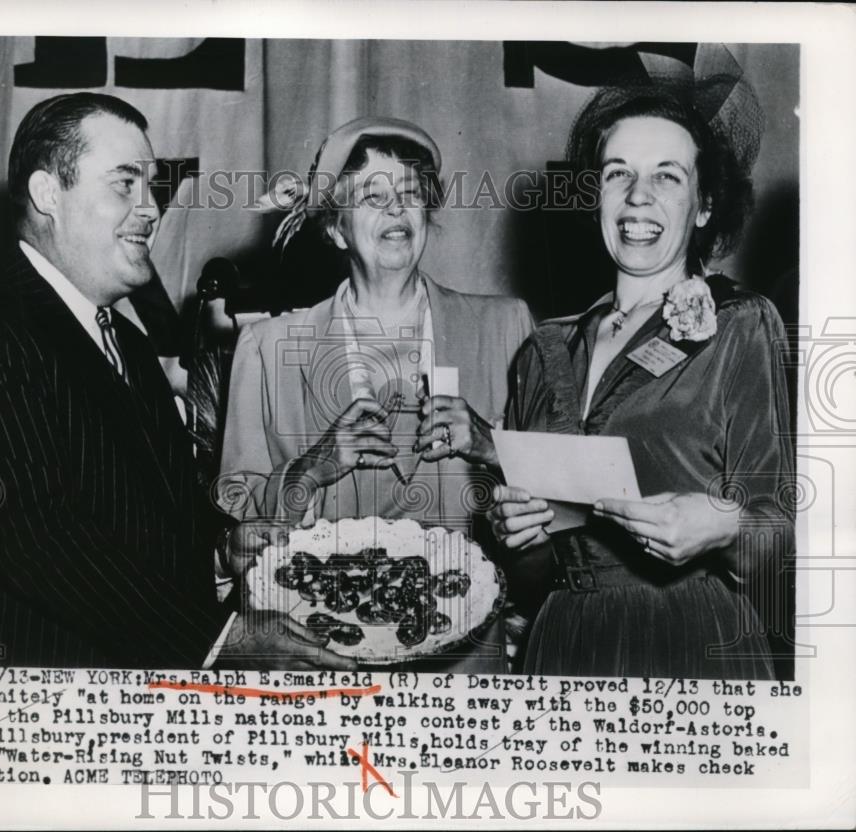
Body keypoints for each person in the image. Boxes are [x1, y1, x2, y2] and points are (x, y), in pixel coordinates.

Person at [0, 92, 349, 670]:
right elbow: (43, 540)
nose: (151, 209)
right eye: (124, 183)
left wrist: (219, 547)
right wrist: (219, 639)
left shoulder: (127, 345)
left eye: (152, 186)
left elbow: (149, 512)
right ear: (47, 195)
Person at [487, 75, 794, 679]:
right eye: (618, 173)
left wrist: (722, 522)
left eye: (667, 176)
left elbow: (775, 535)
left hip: (690, 636)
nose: (637, 196)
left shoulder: (740, 326)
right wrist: (517, 535)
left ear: (704, 205)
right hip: (562, 644)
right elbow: (535, 576)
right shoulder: (543, 348)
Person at [218, 117, 533, 671]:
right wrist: (312, 468)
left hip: (463, 677)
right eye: (372, 195)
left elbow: (557, 511)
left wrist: (493, 445)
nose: (396, 208)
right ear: (336, 230)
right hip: (321, 672)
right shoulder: (266, 350)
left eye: (410, 194)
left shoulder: (504, 328)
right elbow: (244, 544)